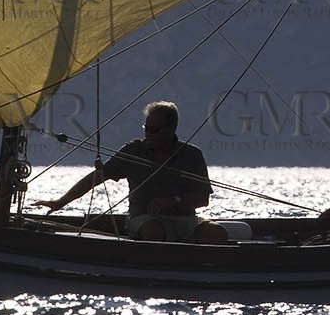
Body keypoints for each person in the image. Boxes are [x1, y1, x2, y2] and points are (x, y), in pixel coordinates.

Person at [37, 101, 227, 244]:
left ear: (171, 129)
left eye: (155, 130)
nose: (148, 134)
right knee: (154, 231)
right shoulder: (133, 151)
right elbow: (96, 177)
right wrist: (60, 202)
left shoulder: (191, 154)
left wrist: (173, 200)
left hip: (185, 220)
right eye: (146, 129)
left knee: (216, 233)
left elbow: (203, 199)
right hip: (143, 219)